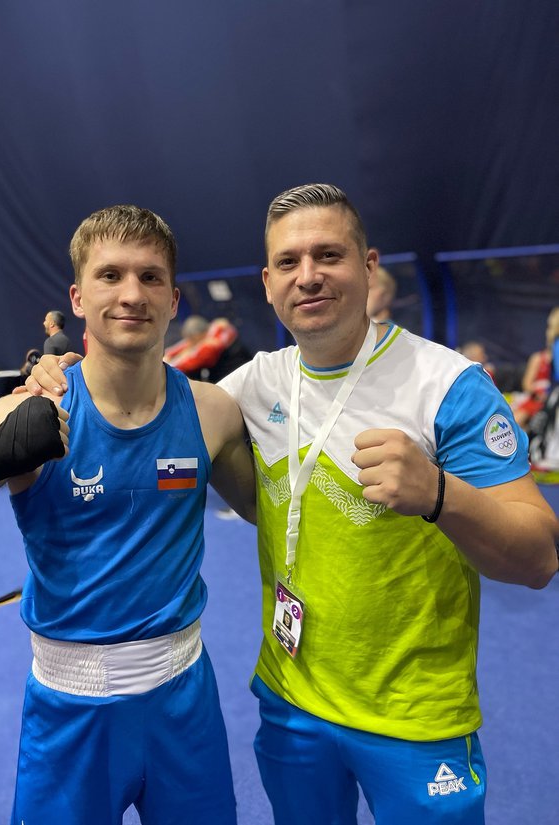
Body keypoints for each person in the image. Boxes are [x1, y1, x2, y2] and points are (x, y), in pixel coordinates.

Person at [31, 184, 558, 825]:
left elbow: (538, 557)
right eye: (288, 262)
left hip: (415, 719)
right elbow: (151, 404)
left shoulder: (447, 387)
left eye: (329, 256)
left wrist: (440, 495)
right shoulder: (254, 385)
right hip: (292, 706)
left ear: (368, 267)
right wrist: (58, 373)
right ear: (269, 281)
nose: (308, 276)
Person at [0, 205, 256, 825]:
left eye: (150, 277)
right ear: (78, 297)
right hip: (70, 713)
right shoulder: (32, 411)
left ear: (174, 300)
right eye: (110, 275)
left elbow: (269, 509)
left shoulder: (212, 413)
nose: (131, 294)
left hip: (185, 703)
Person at [511, 306, 559, 430]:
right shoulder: (538, 358)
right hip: (535, 401)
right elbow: (527, 383)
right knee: (516, 422)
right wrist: (539, 392)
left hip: (551, 401)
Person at [164, 315, 252, 382]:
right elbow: (187, 345)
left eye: (192, 339)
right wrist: (169, 354)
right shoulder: (215, 327)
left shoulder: (210, 346)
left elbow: (189, 360)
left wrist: (167, 364)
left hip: (233, 374)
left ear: (198, 335)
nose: (190, 342)